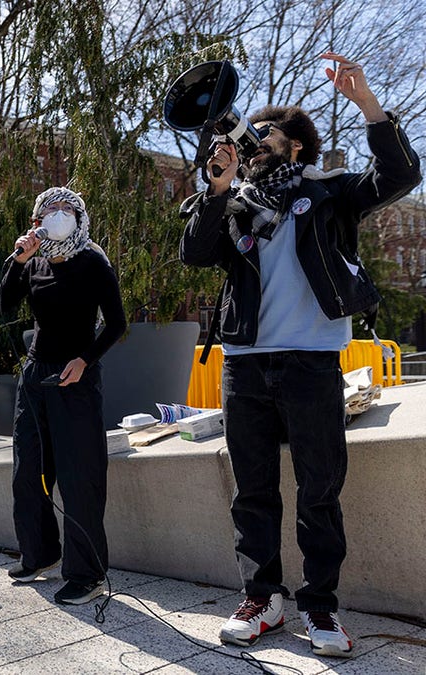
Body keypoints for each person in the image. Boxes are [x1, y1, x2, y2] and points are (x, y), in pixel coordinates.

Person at [180, 53, 421, 657]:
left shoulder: (330, 194)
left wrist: (367, 104)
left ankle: (320, 610)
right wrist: (216, 188)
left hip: (312, 362)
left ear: (296, 149)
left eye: (268, 139)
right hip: (245, 364)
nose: (254, 145)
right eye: (250, 138)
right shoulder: (233, 202)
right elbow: (195, 252)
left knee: (319, 490)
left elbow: (399, 174)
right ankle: (262, 599)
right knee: (252, 491)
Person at [0, 186, 126, 606]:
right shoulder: (34, 262)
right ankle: (39, 553)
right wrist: (19, 258)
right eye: (50, 208)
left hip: (76, 378)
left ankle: (87, 574)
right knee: (28, 470)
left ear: (79, 216)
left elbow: (117, 323)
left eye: (67, 208)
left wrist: (85, 361)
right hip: (36, 376)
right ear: (37, 218)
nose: (58, 213)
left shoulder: (92, 260)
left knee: (78, 476)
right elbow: (2, 306)